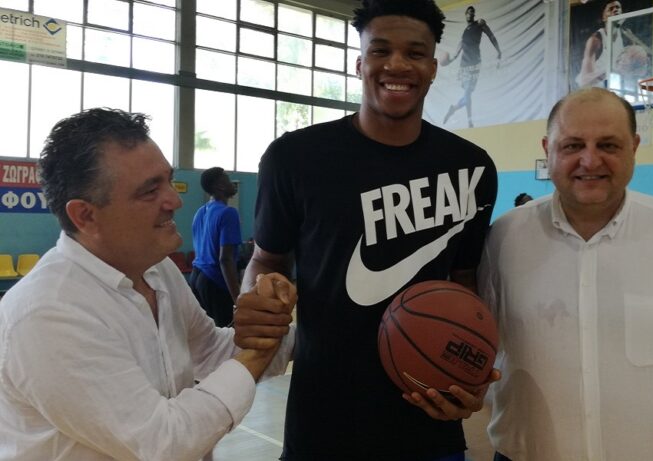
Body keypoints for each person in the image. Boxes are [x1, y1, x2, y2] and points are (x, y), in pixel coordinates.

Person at [233, 0, 499, 460]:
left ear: (433, 68)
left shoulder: (471, 168)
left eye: (415, 53)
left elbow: (465, 281)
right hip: (324, 422)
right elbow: (266, 260)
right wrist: (256, 298)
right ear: (360, 64)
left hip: (429, 419)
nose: (397, 65)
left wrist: (470, 373)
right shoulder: (295, 157)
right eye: (380, 51)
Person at [0, 108, 295, 460]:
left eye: (168, 180)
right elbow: (165, 443)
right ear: (86, 215)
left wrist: (286, 328)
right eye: (150, 191)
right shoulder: (48, 313)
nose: (175, 200)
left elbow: (212, 353)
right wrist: (255, 355)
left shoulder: (157, 270)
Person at [478, 88, 653, 460]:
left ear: (634, 147)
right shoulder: (503, 238)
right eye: (573, 146)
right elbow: (476, 353)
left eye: (608, 145)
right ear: (547, 149)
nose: (590, 161)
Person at [190, 166, 242, 327]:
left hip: (196, 278)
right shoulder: (229, 213)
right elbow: (225, 259)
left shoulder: (200, 212)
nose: (232, 183)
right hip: (215, 282)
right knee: (226, 335)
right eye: (228, 179)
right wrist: (238, 300)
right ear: (220, 186)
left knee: (206, 333)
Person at [442, 5, 502, 127]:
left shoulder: (479, 23)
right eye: (469, 12)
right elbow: (457, 53)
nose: (471, 14)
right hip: (464, 66)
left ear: (474, 15)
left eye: (472, 12)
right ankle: (469, 121)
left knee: (467, 94)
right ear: (465, 14)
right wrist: (449, 61)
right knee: (467, 94)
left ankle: (455, 109)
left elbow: (491, 36)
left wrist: (498, 50)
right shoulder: (465, 33)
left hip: (474, 63)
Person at [575, 0, 649, 88]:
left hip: (613, 84)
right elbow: (585, 81)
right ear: (604, 17)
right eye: (611, 9)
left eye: (618, 7)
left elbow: (637, 69)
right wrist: (612, 69)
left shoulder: (627, 35)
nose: (615, 10)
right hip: (593, 88)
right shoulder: (595, 40)